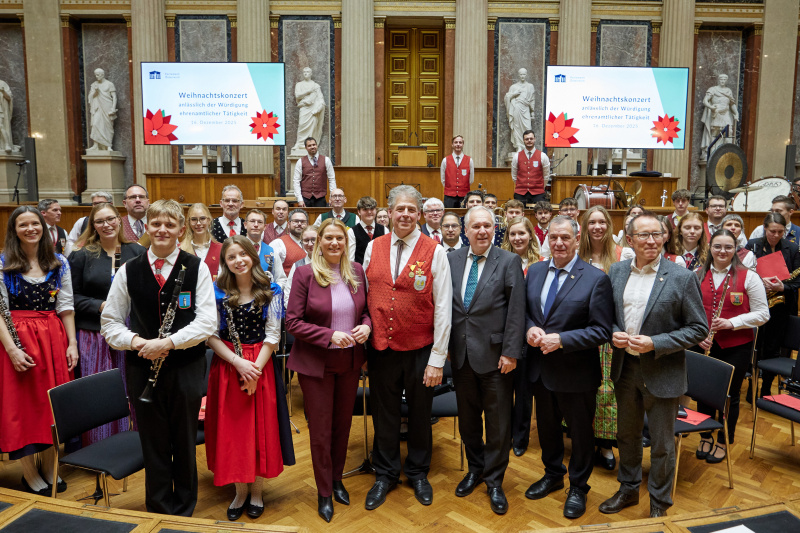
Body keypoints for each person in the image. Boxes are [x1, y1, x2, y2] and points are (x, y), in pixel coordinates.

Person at [101, 199, 217, 516]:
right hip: (142, 369)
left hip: (186, 368)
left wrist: (166, 343)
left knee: (184, 440)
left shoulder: (197, 268)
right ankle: (158, 508)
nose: (162, 230)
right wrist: (138, 342)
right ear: (147, 228)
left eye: (169, 225)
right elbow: (109, 323)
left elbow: (207, 322)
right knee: (152, 442)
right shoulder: (129, 270)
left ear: (181, 230)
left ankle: (184, 509)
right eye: (156, 224)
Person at [599, 212, 707, 518]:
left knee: (661, 444)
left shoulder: (681, 277)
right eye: (643, 235)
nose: (650, 241)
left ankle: (659, 503)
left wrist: (655, 343)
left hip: (663, 372)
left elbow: (699, 328)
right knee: (627, 436)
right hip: (625, 370)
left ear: (664, 237)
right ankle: (628, 490)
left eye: (656, 235)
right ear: (629, 240)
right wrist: (611, 333)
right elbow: (604, 317)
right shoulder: (617, 271)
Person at [362, 185, 453, 510]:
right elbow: (367, 298)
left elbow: (443, 307)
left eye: (411, 210)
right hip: (381, 350)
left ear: (419, 214)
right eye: (399, 209)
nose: (404, 215)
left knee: (419, 414)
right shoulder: (373, 247)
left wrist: (437, 359)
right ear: (389, 212)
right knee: (383, 414)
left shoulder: (435, 251)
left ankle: (417, 472)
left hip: (419, 350)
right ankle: (385, 473)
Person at [525, 215, 613, 519]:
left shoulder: (595, 278)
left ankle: (578, 487)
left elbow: (602, 331)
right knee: (547, 431)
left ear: (577, 240)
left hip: (577, 373)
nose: (559, 243)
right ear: (547, 239)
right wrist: (529, 329)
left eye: (565, 238)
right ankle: (552, 474)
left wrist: (562, 340)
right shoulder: (534, 272)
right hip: (540, 371)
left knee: (580, 434)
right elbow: (524, 314)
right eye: (553, 238)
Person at [286, 219, 371, 522]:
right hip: (315, 365)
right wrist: (328, 335)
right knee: (320, 432)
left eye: (340, 239)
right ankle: (324, 492)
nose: (335, 243)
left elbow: (364, 312)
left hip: (349, 363)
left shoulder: (357, 272)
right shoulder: (304, 274)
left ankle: (337, 479)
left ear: (346, 243)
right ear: (318, 241)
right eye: (329, 238)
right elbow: (292, 322)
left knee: (342, 425)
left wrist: (366, 326)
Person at [205, 236, 294, 521]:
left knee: (259, 431)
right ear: (225, 263)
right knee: (233, 433)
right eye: (232, 257)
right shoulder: (215, 290)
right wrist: (237, 364)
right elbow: (208, 335)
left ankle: (256, 491)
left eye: (243, 254)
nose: (238, 260)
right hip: (228, 365)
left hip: (260, 365)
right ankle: (239, 491)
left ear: (253, 257)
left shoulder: (272, 290)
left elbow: (273, 335)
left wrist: (253, 370)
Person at [448, 206, 525, 515]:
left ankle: (495, 480)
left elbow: (517, 311)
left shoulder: (508, 261)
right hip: (461, 356)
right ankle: (475, 469)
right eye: (476, 226)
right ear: (465, 231)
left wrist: (510, 352)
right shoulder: (450, 259)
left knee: (498, 424)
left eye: (487, 226)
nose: (482, 231)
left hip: (496, 358)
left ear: (495, 229)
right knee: (467, 421)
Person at [0, 206, 78, 495]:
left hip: (53, 338)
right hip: (17, 340)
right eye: (23, 225)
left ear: (43, 227)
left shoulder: (59, 262)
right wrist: (11, 350)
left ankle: (48, 466)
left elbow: (66, 307)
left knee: (51, 406)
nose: (31, 228)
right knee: (23, 407)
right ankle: (29, 472)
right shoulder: (3, 263)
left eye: (35, 223)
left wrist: (72, 343)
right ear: (14, 230)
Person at [69, 203, 146, 443]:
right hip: (95, 333)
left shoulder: (137, 251)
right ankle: (99, 443)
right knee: (100, 390)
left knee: (130, 385)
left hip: (131, 331)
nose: (107, 225)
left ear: (119, 220)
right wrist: (102, 306)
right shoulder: (82, 255)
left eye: (111, 219)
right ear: (93, 226)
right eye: (100, 221)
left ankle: (131, 440)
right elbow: (71, 297)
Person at [694, 230, 769, 464]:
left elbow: (763, 314)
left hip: (736, 345)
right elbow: (690, 311)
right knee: (703, 393)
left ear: (735, 249)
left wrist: (732, 323)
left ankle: (724, 439)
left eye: (728, 247)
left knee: (730, 395)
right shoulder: (698, 274)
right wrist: (697, 336)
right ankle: (705, 434)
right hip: (704, 343)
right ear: (710, 248)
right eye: (717, 247)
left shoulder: (749, 277)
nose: (722, 251)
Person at [577, 206, 621, 471]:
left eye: (601, 222)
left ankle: (605, 444)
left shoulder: (621, 254)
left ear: (608, 225)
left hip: (607, 334)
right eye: (591, 222)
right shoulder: (576, 255)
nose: (597, 227)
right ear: (584, 226)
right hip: (580, 333)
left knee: (607, 391)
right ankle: (581, 440)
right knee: (581, 389)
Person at [746, 212, 800, 398]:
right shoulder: (752, 245)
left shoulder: (792, 249)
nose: (776, 235)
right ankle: (751, 388)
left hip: (781, 306)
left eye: (780, 231)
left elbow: (797, 279)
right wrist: (760, 282)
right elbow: (744, 273)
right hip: (756, 303)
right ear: (764, 229)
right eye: (772, 231)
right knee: (755, 346)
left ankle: (766, 389)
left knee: (772, 347)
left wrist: (783, 286)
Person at [500, 216, 540, 458]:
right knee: (503, 391)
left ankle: (521, 437)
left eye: (521, 234)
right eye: (512, 234)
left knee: (524, 392)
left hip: (530, 336)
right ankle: (503, 435)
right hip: (504, 335)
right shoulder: (501, 261)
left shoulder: (540, 264)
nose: (517, 238)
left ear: (530, 236)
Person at [179, 203, 222, 281]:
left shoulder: (221, 249)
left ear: (209, 220)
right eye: (194, 219)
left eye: (202, 219)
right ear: (188, 222)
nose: (198, 223)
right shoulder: (180, 249)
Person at [700, 74, 738, 160]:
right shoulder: (713, 90)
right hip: (716, 113)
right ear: (718, 80)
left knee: (729, 131)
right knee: (715, 132)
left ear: (726, 80)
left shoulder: (728, 91)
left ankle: (727, 154)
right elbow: (705, 100)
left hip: (726, 114)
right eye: (721, 79)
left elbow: (732, 104)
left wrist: (736, 113)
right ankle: (712, 153)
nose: (723, 80)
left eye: (724, 79)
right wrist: (710, 107)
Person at [290, 68, 326, 155]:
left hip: (313, 110)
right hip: (304, 108)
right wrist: (308, 91)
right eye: (304, 72)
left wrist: (317, 109)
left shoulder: (315, 86)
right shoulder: (299, 84)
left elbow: (321, 99)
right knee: (301, 126)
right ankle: (299, 144)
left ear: (311, 73)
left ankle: (311, 146)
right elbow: (297, 95)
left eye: (308, 72)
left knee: (312, 128)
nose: (306, 73)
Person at [293, 137, 337, 208]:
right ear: (306, 148)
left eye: (314, 145)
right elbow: (296, 181)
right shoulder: (300, 161)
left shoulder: (326, 160)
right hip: (305, 198)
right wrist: (299, 199)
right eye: (309, 146)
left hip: (320, 198)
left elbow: (332, 179)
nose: (312, 147)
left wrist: (333, 197)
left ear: (317, 145)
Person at [511, 129, 550, 206]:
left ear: (534, 139)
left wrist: (539, 186)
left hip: (538, 193)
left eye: (531, 139)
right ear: (523, 140)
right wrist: (522, 185)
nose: (529, 140)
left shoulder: (543, 156)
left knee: (540, 213)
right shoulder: (516, 156)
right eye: (526, 139)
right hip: (520, 192)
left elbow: (546, 176)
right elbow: (514, 176)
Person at [271, 209, 309, 282]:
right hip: (288, 289)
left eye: (303, 222)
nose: (299, 224)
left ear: (307, 225)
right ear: (288, 224)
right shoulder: (278, 243)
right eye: (296, 221)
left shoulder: (314, 244)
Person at [285, 227, 318, 309]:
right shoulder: (297, 265)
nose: (310, 244)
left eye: (314, 239)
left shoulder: (329, 263)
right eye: (306, 240)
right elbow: (288, 293)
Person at [505, 68, 536, 153]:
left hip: (526, 109)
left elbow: (532, 99)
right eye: (521, 74)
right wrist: (514, 94)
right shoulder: (514, 87)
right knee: (517, 128)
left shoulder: (530, 86)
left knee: (528, 128)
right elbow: (507, 97)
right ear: (518, 75)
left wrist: (532, 111)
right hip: (516, 108)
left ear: (526, 75)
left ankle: (527, 148)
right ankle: (518, 146)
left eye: (524, 74)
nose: (522, 76)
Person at [87, 68, 117, 151]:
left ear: (102, 75)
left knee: (108, 126)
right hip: (97, 107)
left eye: (98, 75)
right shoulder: (94, 85)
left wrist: (113, 108)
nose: (96, 77)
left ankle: (108, 146)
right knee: (96, 124)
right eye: (95, 75)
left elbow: (114, 97)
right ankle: (96, 145)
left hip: (107, 107)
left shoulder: (109, 84)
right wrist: (95, 92)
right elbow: (90, 97)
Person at [441, 135, 474, 208]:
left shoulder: (469, 160)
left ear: (463, 144)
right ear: (452, 144)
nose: (458, 144)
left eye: (460, 142)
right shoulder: (445, 160)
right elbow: (443, 179)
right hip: (449, 196)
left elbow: (471, 179)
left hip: (464, 195)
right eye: (456, 142)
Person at [243, 209, 277, 276]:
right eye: (252, 221)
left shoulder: (271, 251)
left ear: (265, 227)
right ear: (245, 225)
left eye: (260, 222)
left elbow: (281, 279)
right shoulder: (237, 248)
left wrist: (274, 286)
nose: (256, 225)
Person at [354, 196, 386, 264]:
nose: (369, 212)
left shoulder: (384, 230)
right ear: (359, 211)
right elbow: (351, 259)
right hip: (359, 273)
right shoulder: (352, 232)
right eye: (365, 209)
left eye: (372, 209)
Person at [0, 79, 12, 152]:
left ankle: (7, 144)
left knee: (0, 126)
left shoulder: (2, 83)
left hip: (0, 110)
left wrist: (3, 91)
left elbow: (9, 98)